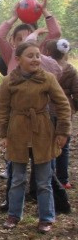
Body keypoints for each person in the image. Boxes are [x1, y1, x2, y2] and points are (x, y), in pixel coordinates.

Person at [0, 41, 72, 233]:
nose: (35, 59)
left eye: (38, 55)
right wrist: (3, 134)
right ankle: (14, 215)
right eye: (30, 56)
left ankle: (46, 217)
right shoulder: (9, 81)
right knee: (17, 178)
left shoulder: (48, 78)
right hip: (18, 132)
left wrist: (62, 131)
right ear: (18, 59)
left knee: (44, 181)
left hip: (42, 132)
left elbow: (63, 105)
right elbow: (3, 108)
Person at [45, 38, 78, 189]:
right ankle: (63, 179)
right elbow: (76, 91)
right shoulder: (71, 69)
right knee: (64, 147)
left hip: (49, 108)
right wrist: (74, 107)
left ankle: (49, 178)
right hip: (66, 109)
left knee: (49, 144)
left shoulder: (46, 67)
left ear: (49, 51)